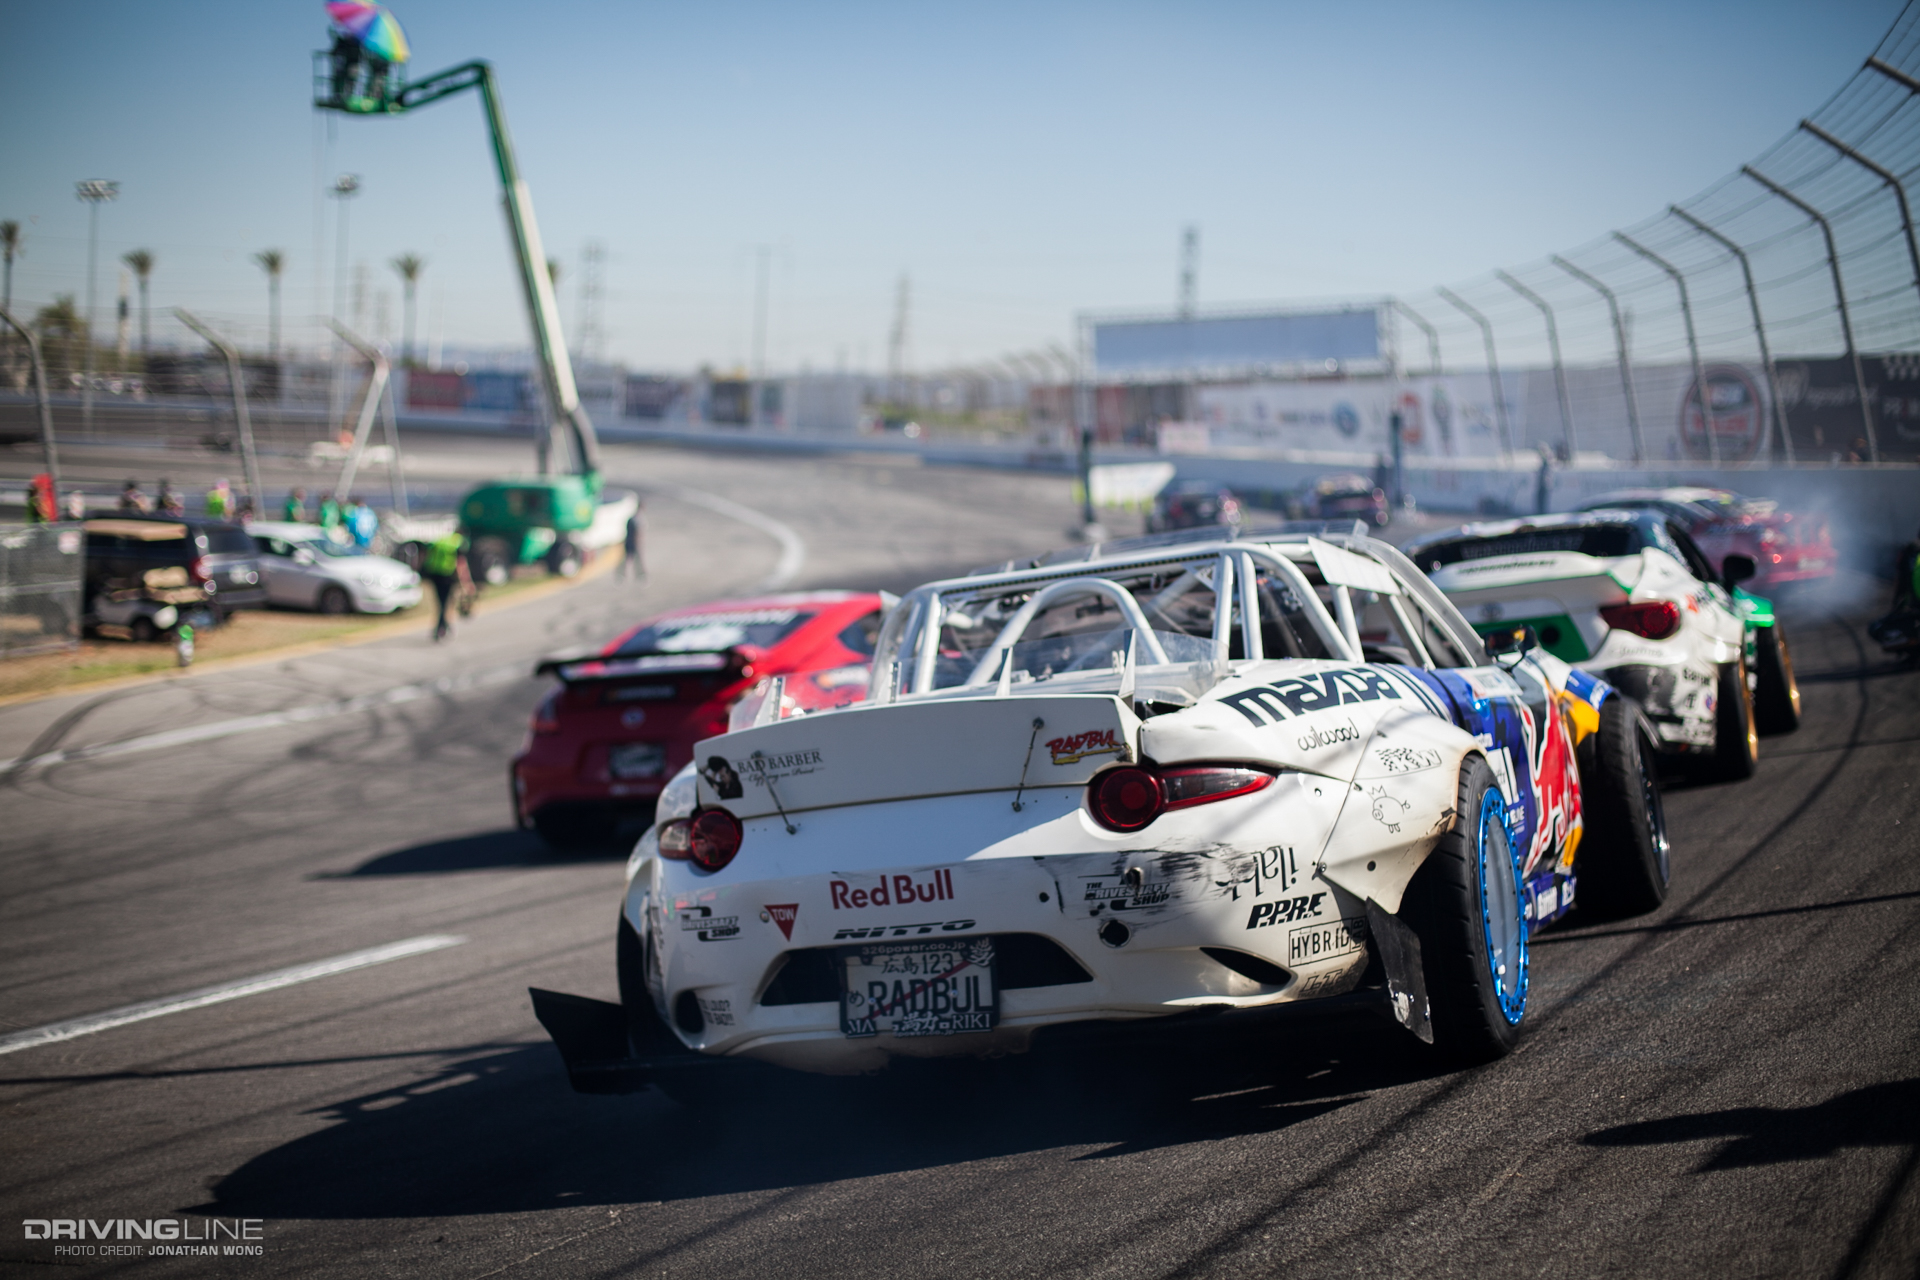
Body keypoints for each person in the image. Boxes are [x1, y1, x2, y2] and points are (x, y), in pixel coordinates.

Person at [423, 527, 472, 642]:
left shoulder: (443, 539)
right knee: (445, 603)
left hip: (435, 574)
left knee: (441, 602)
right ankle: (440, 629)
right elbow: (460, 563)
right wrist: (465, 581)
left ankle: (445, 625)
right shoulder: (459, 542)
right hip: (447, 575)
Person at [329, 29, 363, 104]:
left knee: (350, 79)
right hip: (345, 65)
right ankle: (338, 95)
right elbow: (335, 51)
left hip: (352, 65)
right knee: (340, 77)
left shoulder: (357, 43)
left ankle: (347, 96)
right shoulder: (343, 42)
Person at [622, 503, 644, 581]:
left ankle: (640, 575)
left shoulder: (634, 519)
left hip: (631, 542)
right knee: (629, 560)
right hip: (632, 543)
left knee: (635, 560)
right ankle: (622, 575)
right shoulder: (634, 519)